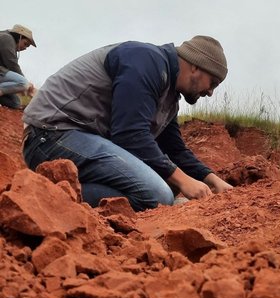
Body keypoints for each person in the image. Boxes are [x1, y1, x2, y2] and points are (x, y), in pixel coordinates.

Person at [22, 35, 233, 211]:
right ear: (195, 66)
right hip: (51, 134)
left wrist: (212, 179)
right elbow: (129, 135)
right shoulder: (146, 62)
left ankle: (59, 190)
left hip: (76, 138)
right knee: (157, 194)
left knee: (167, 183)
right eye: (212, 82)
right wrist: (183, 179)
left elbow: (175, 149)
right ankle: (40, 197)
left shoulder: (168, 97)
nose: (211, 92)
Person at [0, 24, 36, 109]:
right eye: (25, 44)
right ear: (19, 37)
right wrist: (28, 86)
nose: (25, 48)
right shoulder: (7, 38)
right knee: (23, 83)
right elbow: (11, 64)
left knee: (15, 103)